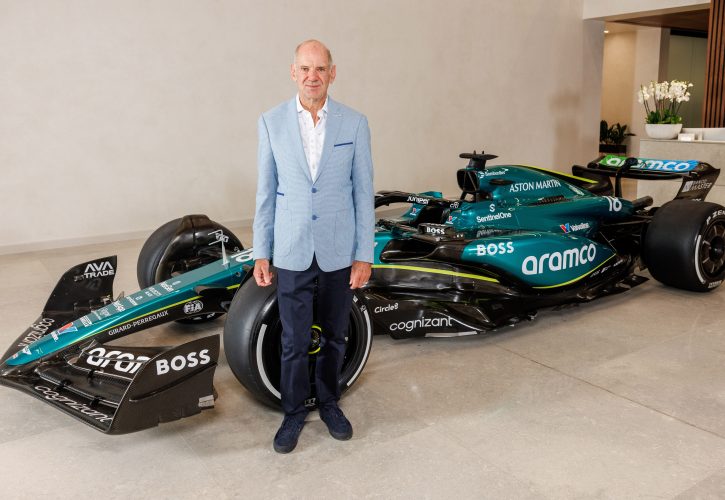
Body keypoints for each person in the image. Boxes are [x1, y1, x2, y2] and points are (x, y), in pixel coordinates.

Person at [252, 39, 375, 454]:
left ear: (332, 73)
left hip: (339, 249)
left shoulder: (354, 124)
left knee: (336, 335)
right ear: (293, 73)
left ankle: (329, 403)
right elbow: (266, 192)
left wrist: (364, 254)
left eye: (320, 69)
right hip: (292, 247)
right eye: (305, 69)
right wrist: (262, 251)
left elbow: (363, 193)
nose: (312, 76)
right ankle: (292, 412)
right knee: (294, 339)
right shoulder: (271, 122)